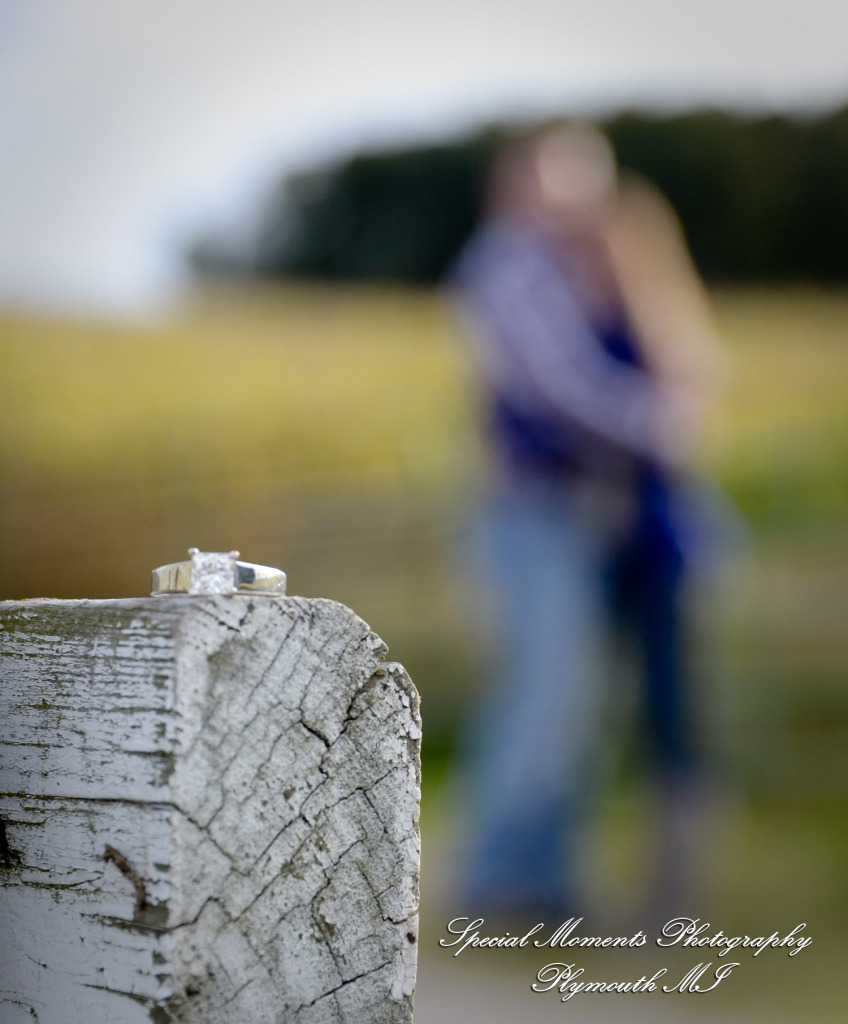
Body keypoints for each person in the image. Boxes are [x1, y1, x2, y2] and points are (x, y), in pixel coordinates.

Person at [448, 123, 725, 918]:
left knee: (577, 704)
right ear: (523, 180)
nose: (577, 197)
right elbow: (558, 388)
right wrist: (657, 421)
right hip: (535, 509)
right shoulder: (508, 265)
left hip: (589, 516)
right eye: (562, 179)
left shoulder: (565, 264)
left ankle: (546, 881)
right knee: (546, 693)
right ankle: (496, 878)